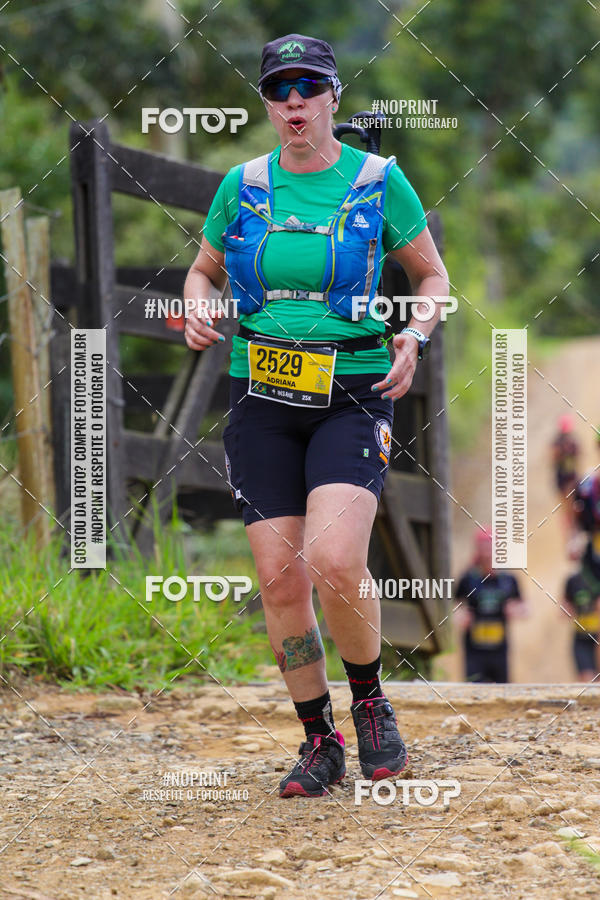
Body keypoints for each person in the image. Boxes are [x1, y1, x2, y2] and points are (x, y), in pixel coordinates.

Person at [183, 33, 448, 798]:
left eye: (307, 87)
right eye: (279, 90)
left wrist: (416, 333)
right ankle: (318, 739)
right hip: (261, 395)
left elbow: (430, 275)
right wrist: (197, 310)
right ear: (268, 103)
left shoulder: (377, 180)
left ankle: (369, 701)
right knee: (279, 578)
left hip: (355, 391)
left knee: (334, 559)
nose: (293, 102)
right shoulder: (241, 183)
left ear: (333, 95)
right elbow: (202, 268)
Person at [454, 528, 528, 683]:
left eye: (491, 547)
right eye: (484, 548)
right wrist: (460, 615)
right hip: (474, 650)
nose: (488, 553)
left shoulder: (508, 580)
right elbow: (455, 605)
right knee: (474, 693)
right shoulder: (468, 579)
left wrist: (515, 610)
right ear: (477, 550)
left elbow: (525, 608)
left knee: (502, 694)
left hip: (499, 649)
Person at [563, 564, 600, 682]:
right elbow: (564, 607)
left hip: (597, 635)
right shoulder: (573, 580)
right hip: (582, 636)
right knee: (587, 681)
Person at [551, 415, 580, 545]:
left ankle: (574, 534)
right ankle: (569, 536)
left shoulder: (573, 443)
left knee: (573, 508)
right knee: (566, 509)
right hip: (563, 481)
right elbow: (553, 459)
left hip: (571, 479)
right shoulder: (557, 444)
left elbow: (577, 460)